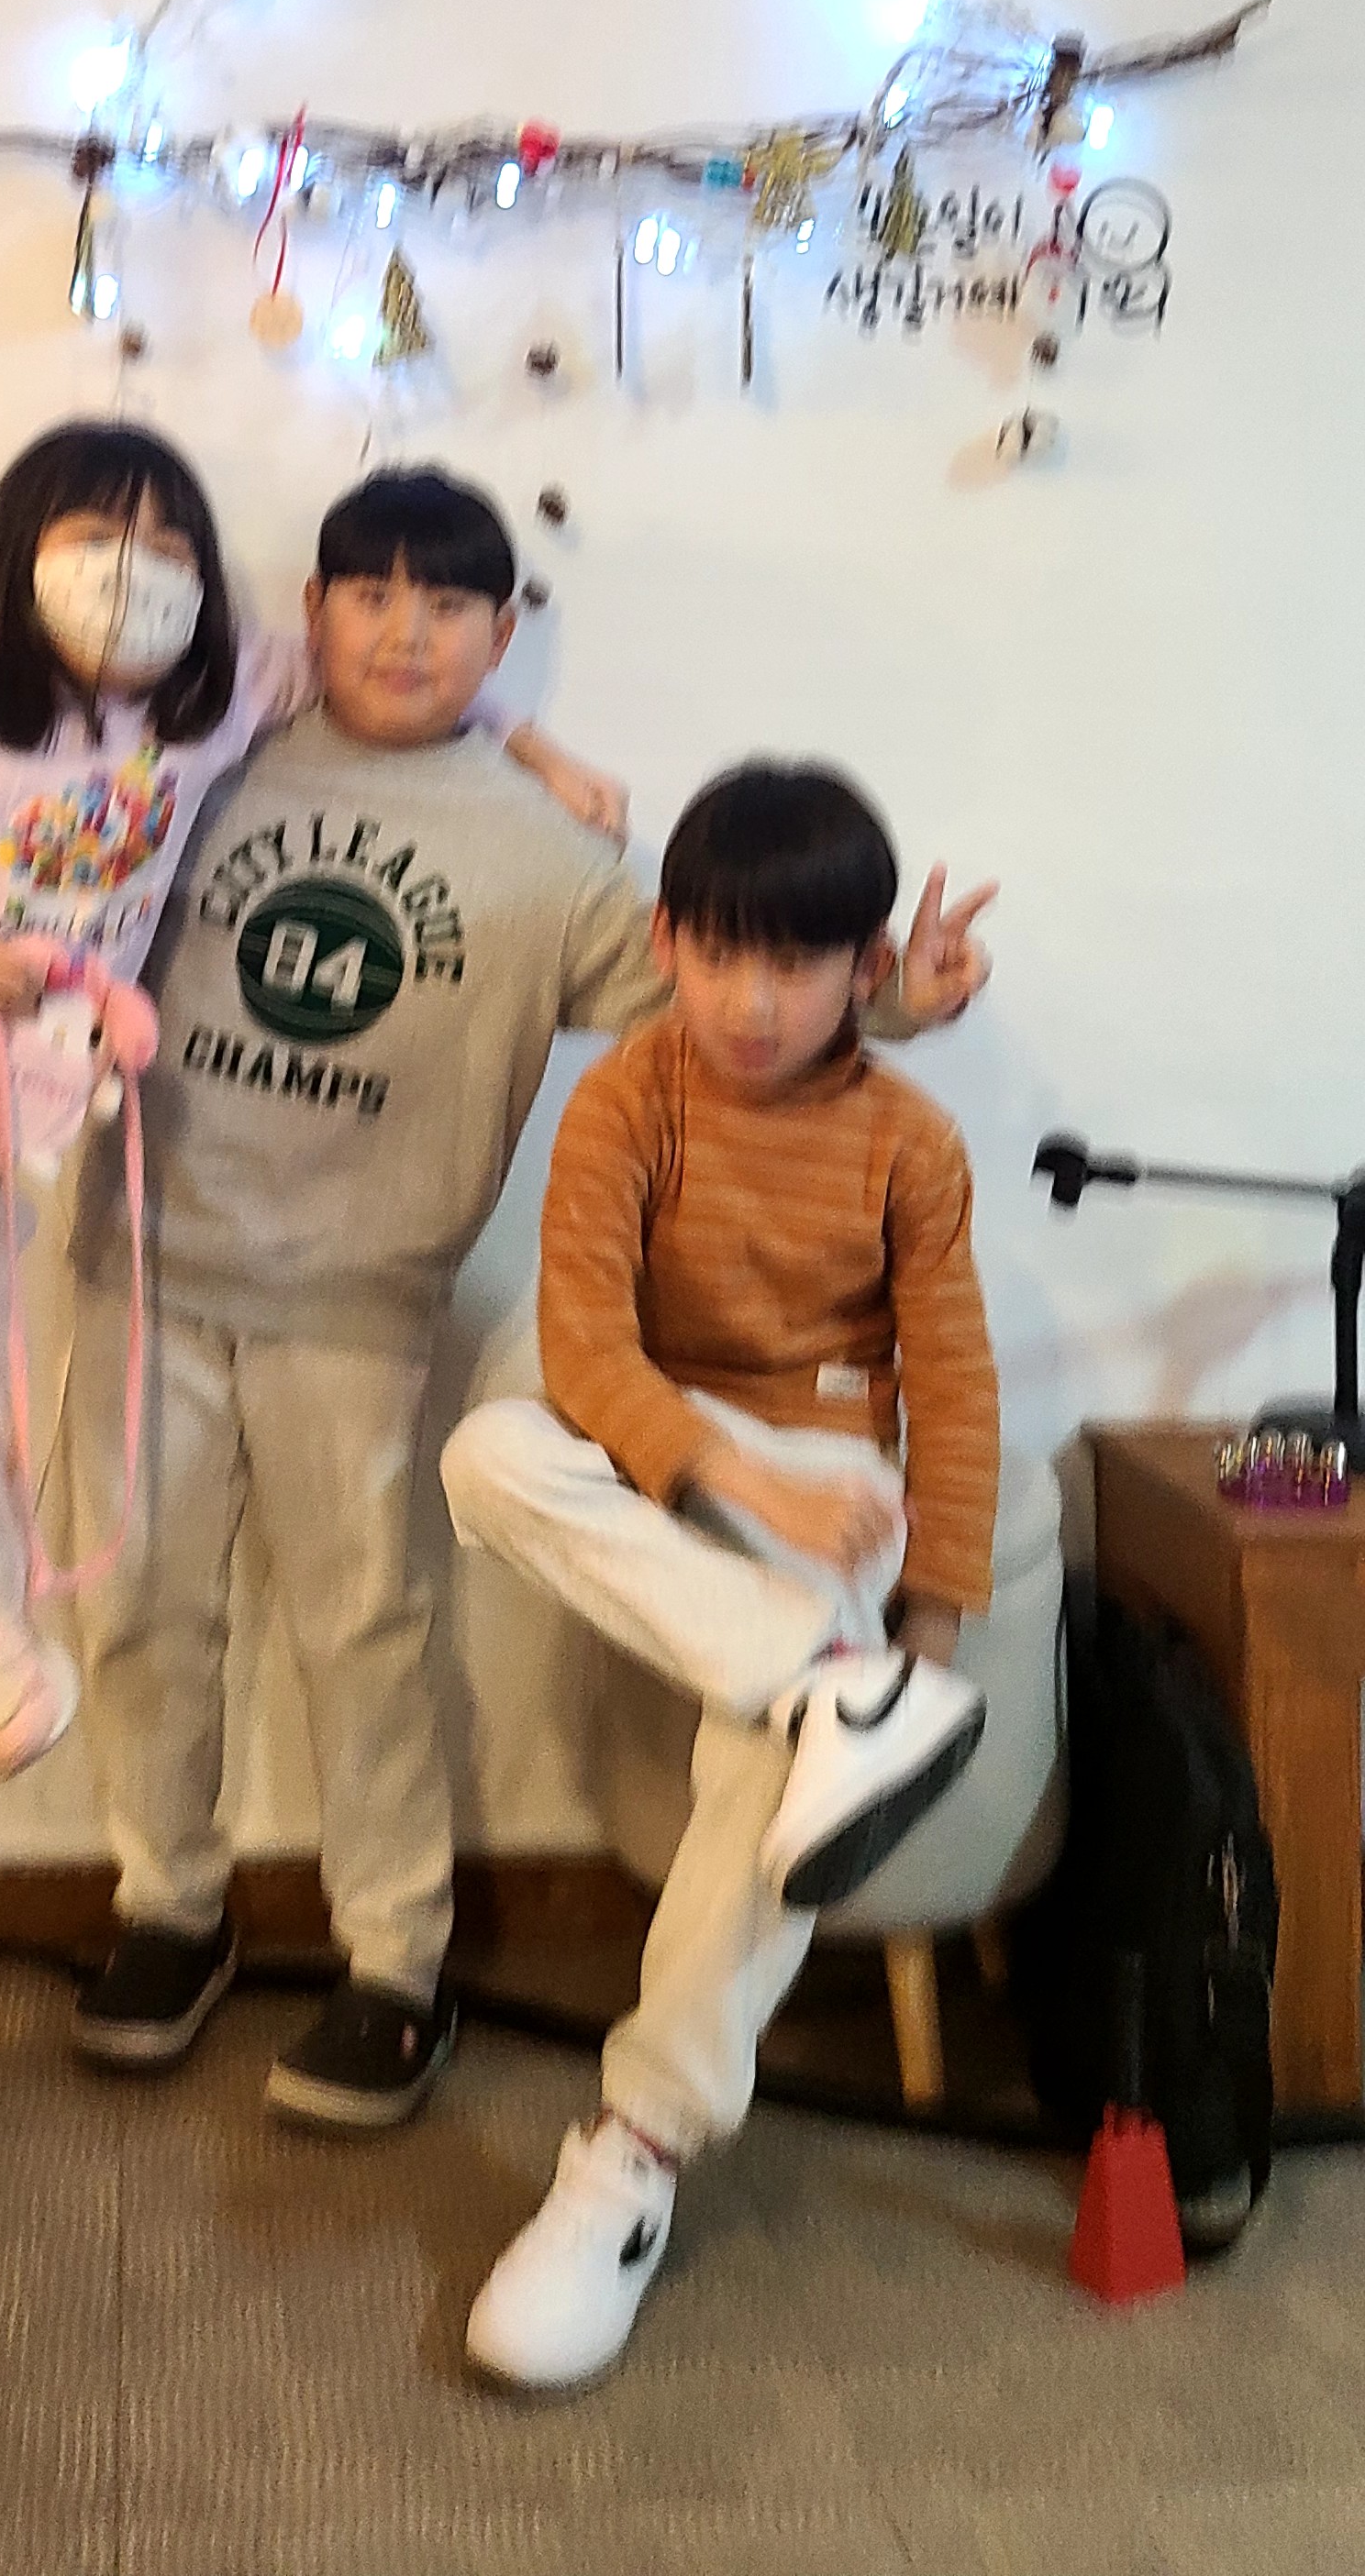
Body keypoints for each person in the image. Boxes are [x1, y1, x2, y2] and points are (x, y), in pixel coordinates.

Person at [0, 421, 608, 2220]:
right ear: (17, 551)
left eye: (170, 542)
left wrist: (531, 739)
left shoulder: (213, 707)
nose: (136, 567)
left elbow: (391, 656)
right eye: (98, 533)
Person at [63, 478, 993, 2133]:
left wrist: (902, 1001)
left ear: (502, 637)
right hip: (141, 1261)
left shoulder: (558, 858)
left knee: (360, 1632)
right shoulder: (215, 760)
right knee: (138, 1604)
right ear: (312, 611)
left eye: (447, 607)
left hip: (358, 1298)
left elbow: (734, 994)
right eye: (368, 595)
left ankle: (395, 1963)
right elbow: (42, 794)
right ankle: (169, 1908)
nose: (403, 633)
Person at [440, 759, 1001, 2393]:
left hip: (826, 1473)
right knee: (487, 1455)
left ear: (863, 968)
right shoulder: (630, 1095)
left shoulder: (912, 1141)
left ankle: (634, 2153)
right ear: (667, 942)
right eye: (722, 955)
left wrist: (931, 1631)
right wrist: (731, 1475)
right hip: (673, 1441)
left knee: (770, 1771)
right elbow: (585, 1346)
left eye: (799, 963)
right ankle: (833, 1685)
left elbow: (953, 1388)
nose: (754, 1003)